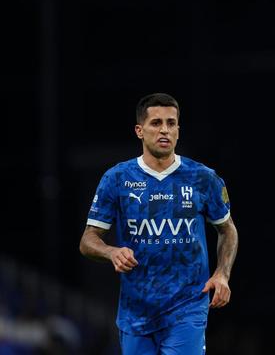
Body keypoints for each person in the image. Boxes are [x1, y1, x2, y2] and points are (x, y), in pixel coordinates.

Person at [79, 92, 238, 355]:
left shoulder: (203, 178)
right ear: (139, 131)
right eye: (156, 123)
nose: (164, 130)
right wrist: (111, 252)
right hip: (136, 312)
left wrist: (222, 274)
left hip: (187, 308)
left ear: (178, 130)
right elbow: (88, 240)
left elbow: (227, 228)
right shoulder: (117, 178)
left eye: (171, 123)